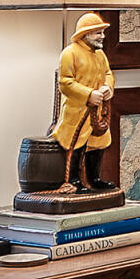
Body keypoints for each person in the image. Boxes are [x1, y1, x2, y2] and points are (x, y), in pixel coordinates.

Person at [51, 11, 116, 194]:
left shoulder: (100, 54)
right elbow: (65, 82)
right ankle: (74, 180)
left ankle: (94, 179)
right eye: (98, 33)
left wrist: (107, 88)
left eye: (102, 32)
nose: (102, 36)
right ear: (85, 33)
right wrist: (88, 94)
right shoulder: (69, 54)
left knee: (98, 143)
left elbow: (108, 74)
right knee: (76, 144)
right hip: (77, 111)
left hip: (97, 112)